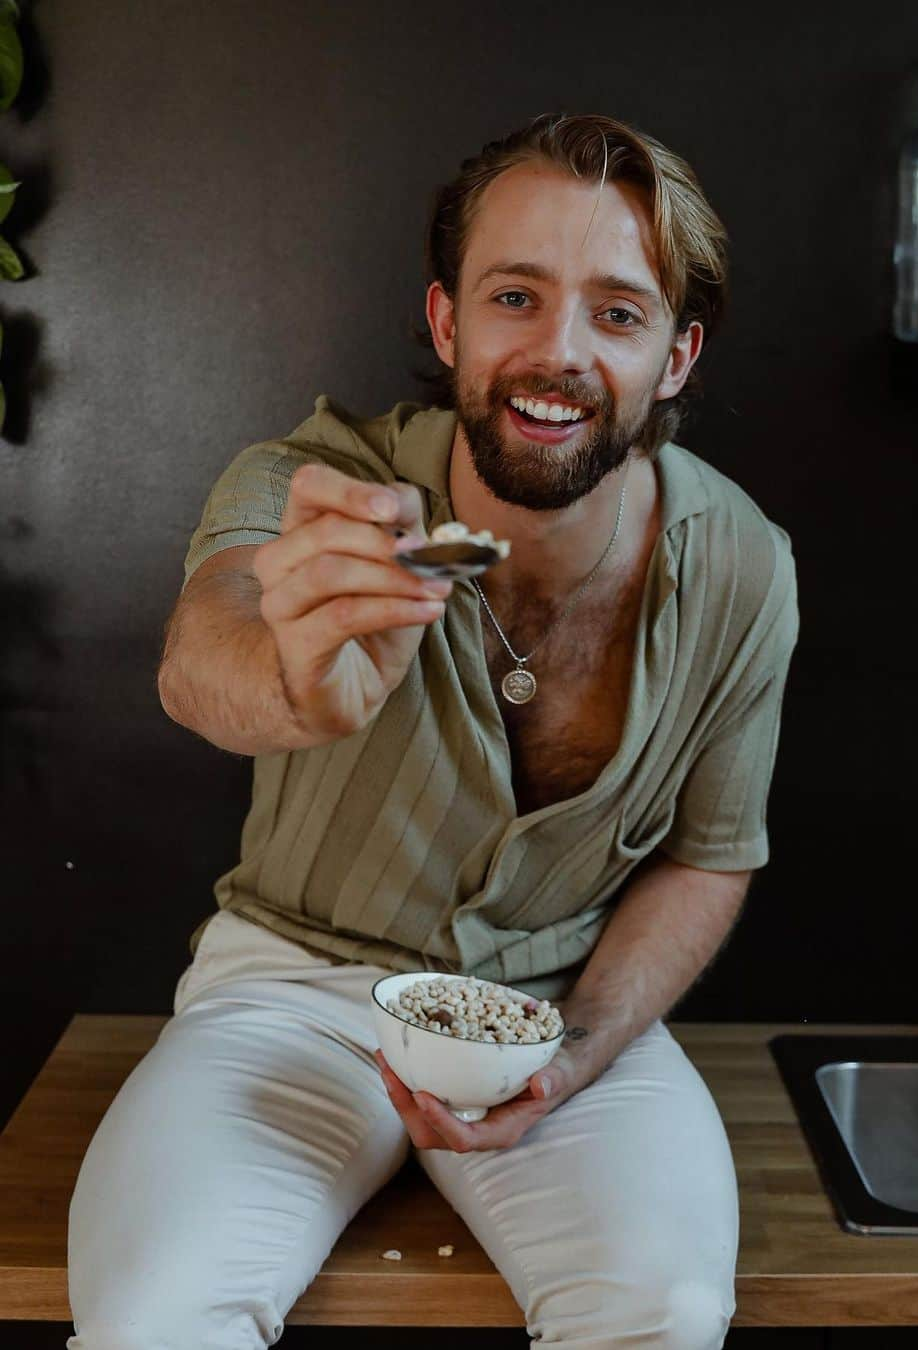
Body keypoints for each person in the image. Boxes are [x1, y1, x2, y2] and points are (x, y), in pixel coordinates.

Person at [66, 111, 799, 1349]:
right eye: (516, 296)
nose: (556, 352)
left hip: (552, 1009)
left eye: (616, 314)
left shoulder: (743, 569)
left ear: (676, 358)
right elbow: (206, 657)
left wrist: (572, 1058)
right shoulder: (311, 484)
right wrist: (300, 685)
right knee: (151, 1315)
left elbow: (707, 856)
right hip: (292, 997)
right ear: (449, 321)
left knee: (663, 1310)